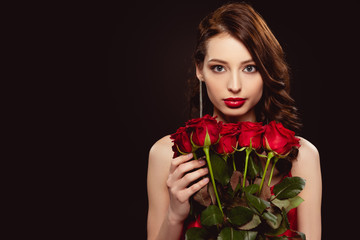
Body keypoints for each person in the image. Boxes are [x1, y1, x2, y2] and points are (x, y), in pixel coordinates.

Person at [147, 3, 322, 240]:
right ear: (200, 70)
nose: (235, 85)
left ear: (266, 70)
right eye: (219, 68)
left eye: (250, 68)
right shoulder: (166, 154)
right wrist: (174, 216)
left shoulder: (301, 156)